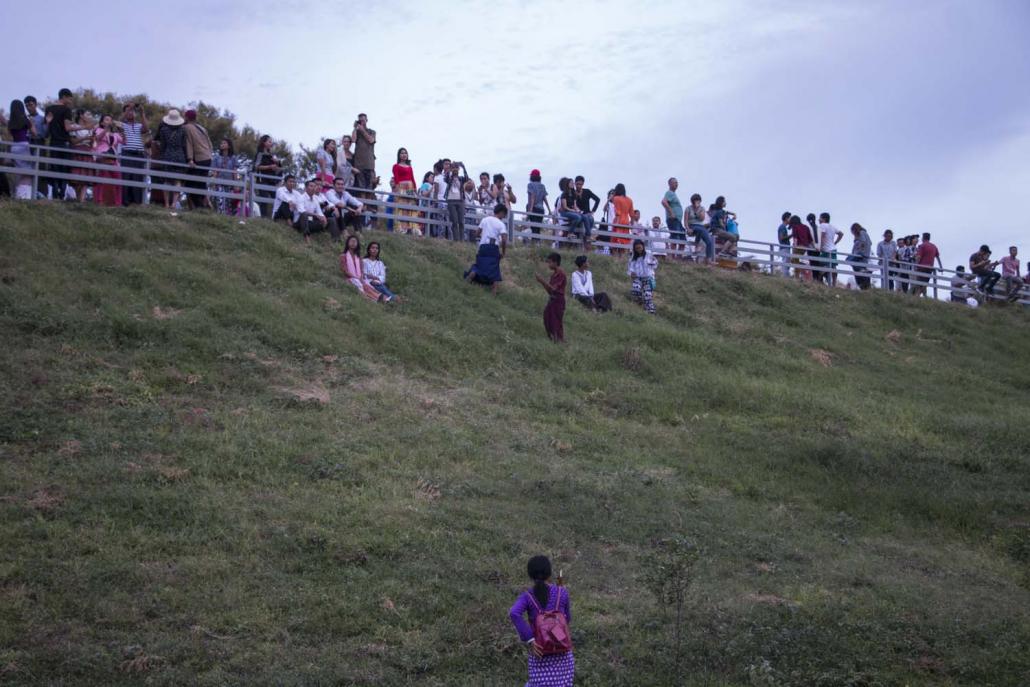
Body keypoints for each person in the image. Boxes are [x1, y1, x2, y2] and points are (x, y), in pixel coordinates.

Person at [509, 555, 574, 687]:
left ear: (530, 575)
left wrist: (530, 639)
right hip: (562, 651)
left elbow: (514, 613)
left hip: (539, 651)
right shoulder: (562, 593)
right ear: (549, 573)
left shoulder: (527, 596)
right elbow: (567, 618)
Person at [45, 88, 85, 201]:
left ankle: (54, 195)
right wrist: (84, 127)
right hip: (64, 143)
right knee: (64, 170)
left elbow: (47, 130)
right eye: (70, 98)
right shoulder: (66, 110)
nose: (71, 101)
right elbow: (67, 128)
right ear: (64, 97)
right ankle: (62, 195)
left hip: (53, 142)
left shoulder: (49, 109)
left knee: (55, 168)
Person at [464, 204, 509, 293]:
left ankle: (473, 273)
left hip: (483, 246)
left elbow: (477, 234)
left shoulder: (485, 219)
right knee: (495, 268)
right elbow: (504, 240)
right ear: (501, 212)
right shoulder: (501, 224)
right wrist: (503, 252)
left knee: (479, 264)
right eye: (504, 215)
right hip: (493, 247)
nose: (504, 217)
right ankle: (494, 291)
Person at [154, 109, 187, 209]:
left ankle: (167, 204)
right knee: (177, 181)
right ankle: (174, 203)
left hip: (168, 156)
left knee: (167, 180)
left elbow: (163, 145)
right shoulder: (183, 130)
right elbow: (183, 144)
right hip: (180, 156)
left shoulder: (164, 130)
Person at [116, 103, 148, 206]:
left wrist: (142, 113)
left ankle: (137, 203)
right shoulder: (122, 125)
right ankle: (125, 202)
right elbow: (117, 123)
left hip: (139, 154)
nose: (131, 112)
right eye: (128, 111)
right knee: (126, 177)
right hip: (127, 153)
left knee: (138, 178)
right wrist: (129, 108)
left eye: (132, 111)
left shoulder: (138, 125)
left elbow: (146, 129)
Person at [182, 110, 213, 210]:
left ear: (186, 117)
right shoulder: (202, 128)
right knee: (201, 182)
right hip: (207, 157)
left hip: (198, 158)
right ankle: (206, 202)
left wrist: (190, 159)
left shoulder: (186, 128)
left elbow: (189, 143)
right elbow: (210, 144)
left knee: (190, 183)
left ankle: (200, 207)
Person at [340, 235, 386, 301]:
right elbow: (345, 271)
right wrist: (356, 277)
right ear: (347, 243)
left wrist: (361, 277)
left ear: (357, 244)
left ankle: (380, 298)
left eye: (355, 241)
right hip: (349, 278)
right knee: (358, 283)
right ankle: (371, 299)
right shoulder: (343, 256)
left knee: (366, 284)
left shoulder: (359, 257)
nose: (353, 243)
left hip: (359, 278)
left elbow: (361, 270)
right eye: (351, 241)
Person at [92, 114, 123, 207]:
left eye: (110, 120)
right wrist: (106, 129)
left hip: (113, 157)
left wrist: (121, 129)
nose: (109, 121)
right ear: (101, 122)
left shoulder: (115, 134)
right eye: (106, 119)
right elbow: (98, 138)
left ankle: (118, 202)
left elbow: (124, 141)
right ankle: (99, 200)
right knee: (101, 179)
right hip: (102, 156)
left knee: (118, 180)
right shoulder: (98, 130)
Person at [536, 253, 567, 343]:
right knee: (547, 318)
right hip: (552, 299)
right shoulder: (553, 275)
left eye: (550, 262)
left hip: (558, 301)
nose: (548, 265)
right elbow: (550, 290)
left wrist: (542, 281)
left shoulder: (561, 274)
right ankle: (552, 338)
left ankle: (559, 340)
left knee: (556, 321)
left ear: (555, 262)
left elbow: (553, 288)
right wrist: (542, 283)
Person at [6, 99, 33, 199]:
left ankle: (19, 194)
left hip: (14, 146)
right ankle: (23, 196)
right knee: (27, 172)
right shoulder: (25, 120)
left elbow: (9, 136)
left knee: (19, 171)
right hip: (24, 145)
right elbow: (34, 132)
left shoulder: (10, 122)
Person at [325, 176, 365, 240]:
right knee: (338, 207)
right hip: (330, 218)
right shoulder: (329, 193)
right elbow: (339, 203)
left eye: (342, 184)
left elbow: (358, 203)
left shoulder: (345, 193)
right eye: (338, 184)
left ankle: (357, 231)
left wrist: (359, 209)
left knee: (356, 207)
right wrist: (352, 210)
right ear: (333, 185)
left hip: (341, 219)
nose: (340, 186)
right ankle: (344, 231)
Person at [253, 134, 283, 218]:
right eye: (269, 141)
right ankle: (263, 218)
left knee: (277, 199)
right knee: (264, 200)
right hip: (262, 180)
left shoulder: (273, 155)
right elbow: (256, 166)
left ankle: (276, 218)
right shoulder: (260, 154)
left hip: (272, 181)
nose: (271, 143)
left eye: (271, 142)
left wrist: (277, 163)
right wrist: (269, 167)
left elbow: (280, 169)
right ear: (264, 142)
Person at [391, 147, 419, 235]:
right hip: (401, 187)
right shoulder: (396, 166)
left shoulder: (410, 167)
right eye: (402, 153)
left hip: (410, 188)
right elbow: (396, 178)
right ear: (399, 155)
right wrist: (397, 190)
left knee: (410, 207)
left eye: (405, 153)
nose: (404, 155)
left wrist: (415, 190)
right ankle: (401, 229)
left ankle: (411, 228)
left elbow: (413, 179)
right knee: (401, 207)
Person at [69, 109, 95, 202]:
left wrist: (92, 140)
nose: (89, 117)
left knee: (86, 178)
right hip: (77, 151)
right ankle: (77, 197)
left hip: (88, 152)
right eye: (87, 114)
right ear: (81, 115)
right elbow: (73, 141)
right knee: (76, 177)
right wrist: (85, 137)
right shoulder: (73, 127)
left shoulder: (91, 129)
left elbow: (92, 144)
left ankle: (82, 200)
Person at [627, 238, 658, 314]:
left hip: (648, 278)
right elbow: (630, 269)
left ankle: (651, 311)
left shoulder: (649, 254)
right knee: (635, 289)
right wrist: (631, 273)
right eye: (636, 248)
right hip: (638, 278)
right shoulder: (633, 258)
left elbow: (655, 264)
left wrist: (651, 263)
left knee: (648, 296)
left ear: (643, 247)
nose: (639, 250)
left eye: (640, 248)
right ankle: (639, 301)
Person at [442, 159, 469, 241]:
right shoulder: (449, 178)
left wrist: (463, 167)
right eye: (454, 168)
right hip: (451, 200)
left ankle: (461, 240)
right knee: (454, 221)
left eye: (456, 168)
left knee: (461, 221)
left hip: (460, 201)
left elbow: (467, 178)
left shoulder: (461, 179)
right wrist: (450, 170)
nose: (455, 170)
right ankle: (456, 240)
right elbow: (445, 178)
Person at [211, 138, 238, 215]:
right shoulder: (216, 157)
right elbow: (215, 171)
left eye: (224, 143)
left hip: (229, 183)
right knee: (219, 199)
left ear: (229, 146)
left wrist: (236, 184)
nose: (222, 145)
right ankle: (220, 214)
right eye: (221, 143)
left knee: (228, 200)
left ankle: (227, 216)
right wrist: (213, 182)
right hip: (219, 182)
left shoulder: (233, 158)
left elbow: (235, 172)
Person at [661, 178, 686, 259]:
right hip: (673, 219)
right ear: (670, 184)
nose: (676, 184)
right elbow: (664, 202)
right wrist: (671, 212)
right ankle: (672, 256)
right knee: (675, 237)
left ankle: (679, 257)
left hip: (678, 220)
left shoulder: (673, 194)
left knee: (683, 238)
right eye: (674, 182)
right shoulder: (669, 193)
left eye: (677, 182)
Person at [556, 177, 586, 243]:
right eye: (570, 183)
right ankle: (571, 233)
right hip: (564, 221)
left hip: (570, 220)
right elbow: (561, 208)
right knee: (564, 241)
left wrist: (578, 210)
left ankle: (586, 235)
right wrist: (573, 210)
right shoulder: (562, 196)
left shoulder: (572, 195)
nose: (572, 184)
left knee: (584, 217)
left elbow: (574, 206)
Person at [816, 213, 843, 286]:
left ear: (824, 219)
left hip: (826, 249)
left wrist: (820, 247)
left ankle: (818, 281)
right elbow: (841, 234)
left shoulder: (822, 225)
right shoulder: (832, 226)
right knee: (833, 266)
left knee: (822, 265)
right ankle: (833, 283)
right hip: (833, 249)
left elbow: (822, 236)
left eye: (820, 218)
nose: (819, 219)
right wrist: (835, 242)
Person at [686, 193, 714, 264]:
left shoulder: (702, 208)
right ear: (692, 201)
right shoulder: (688, 208)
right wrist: (688, 228)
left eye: (699, 201)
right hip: (692, 225)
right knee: (700, 230)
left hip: (700, 226)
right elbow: (685, 220)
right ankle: (697, 245)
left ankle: (709, 260)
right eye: (696, 201)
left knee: (709, 241)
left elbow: (701, 219)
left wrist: (697, 210)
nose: (698, 202)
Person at [912, 232, 942, 297]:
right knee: (924, 284)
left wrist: (916, 266)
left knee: (919, 285)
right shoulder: (934, 246)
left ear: (923, 238)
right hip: (930, 268)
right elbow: (937, 257)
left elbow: (918, 257)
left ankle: (916, 297)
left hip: (921, 268)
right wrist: (941, 267)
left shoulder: (922, 246)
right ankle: (924, 297)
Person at [788, 214, 817, 281]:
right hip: (805, 248)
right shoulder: (806, 227)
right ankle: (800, 275)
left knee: (795, 261)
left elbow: (795, 238)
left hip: (798, 246)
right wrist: (815, 247)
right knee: (796, 261)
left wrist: (794, 247)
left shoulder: (795, 227)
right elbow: (810, 239)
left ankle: (796, 278)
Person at [352, 113, 376, 189]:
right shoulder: (357, 131)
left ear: (367, 120)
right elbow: (353, 140)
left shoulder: (372, 131)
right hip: (358, 164)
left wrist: (362, 130)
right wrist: (355, 128)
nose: (362, 122)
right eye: (360, 120)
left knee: (370, 187)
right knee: (360, 187)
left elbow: (371, 140)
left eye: (363, 120)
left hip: (369, 164)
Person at [572, 176, 599, 242]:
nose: (579, 186)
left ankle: (586, 236)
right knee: (586, 218)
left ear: (583, 184)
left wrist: (593, 211)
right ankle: (587, 236)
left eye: (580, 184)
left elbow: (597, 199)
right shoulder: (572, 193)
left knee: (591, 218)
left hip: (587, 214)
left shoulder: (587, 191)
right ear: (575, 183)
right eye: (577, 184)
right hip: (578, 214)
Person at [846, 223, 873, 290]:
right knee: (857, 269)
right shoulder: (864, 234)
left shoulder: (862, 232)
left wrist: (860, 249)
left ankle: (862, 273)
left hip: (860, 254)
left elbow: (863, 242)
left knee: (848, 260)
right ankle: (863, 286)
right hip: (862, 255)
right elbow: (870, 243)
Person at [526, 169, 550, 239]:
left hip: (533, 208)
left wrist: (530, 210)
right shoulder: (542, 186)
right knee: (538, 228)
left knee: (533, 228)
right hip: (541, 209)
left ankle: (534, 244)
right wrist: (549, 210)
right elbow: (544, 198)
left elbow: (532, 196)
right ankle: (537, 244)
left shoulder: (530, 185)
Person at [611, 183, 634, 250]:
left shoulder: (616, 198)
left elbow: (618, 212)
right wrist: (631, 225)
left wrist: (616, 223)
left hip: (618, 220)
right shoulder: (629, 200)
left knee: (615, 241)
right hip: (626, 221)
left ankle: (615, 258)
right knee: (624, 240)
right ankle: (623, 257)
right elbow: (632, 214)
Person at [775, 211, 792, 276]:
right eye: (790, 218)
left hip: (784, 247)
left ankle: (786, 277)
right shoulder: (782, 227)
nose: (791, 220)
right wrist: (792, 235)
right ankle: (785, 278)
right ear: (786, 218)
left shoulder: (783, 227)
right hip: (784, 247)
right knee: (785, 263)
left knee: (787, 263)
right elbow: (782, 238)